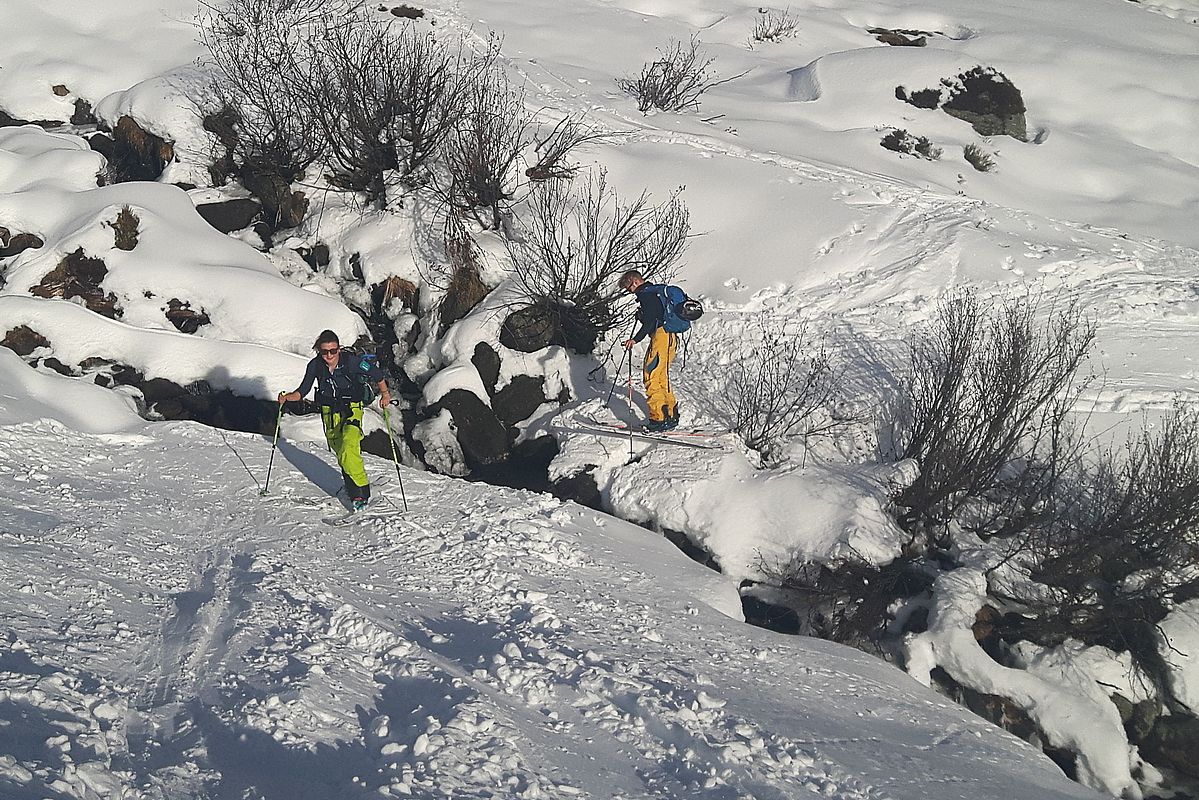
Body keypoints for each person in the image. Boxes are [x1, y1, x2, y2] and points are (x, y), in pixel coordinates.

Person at [278, 330, 390, 511]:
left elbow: (377, 374)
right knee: (341, 451)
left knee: (348, 444)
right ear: (318, 351)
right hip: (329, 413)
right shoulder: (315, 366)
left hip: (352, 409)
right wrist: (287, 397)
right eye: (325, 351)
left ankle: (361, 492)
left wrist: (385, 395)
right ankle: (351, 486)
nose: (329, 355)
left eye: (333, 350)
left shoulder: (351, 362)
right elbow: (302, 391)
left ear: (338, 349)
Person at [620, 269, 679, 431]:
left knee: (651, 376)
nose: (630, 292)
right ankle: (671, 415)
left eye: (629, 288)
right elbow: (654, 317)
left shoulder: (646, 295)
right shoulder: (655, 293)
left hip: (661, 337)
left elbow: (651, 322)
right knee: (661, 376)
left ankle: (658, 419)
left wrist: (635, 339)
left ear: (635, 282)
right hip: (671, 336)